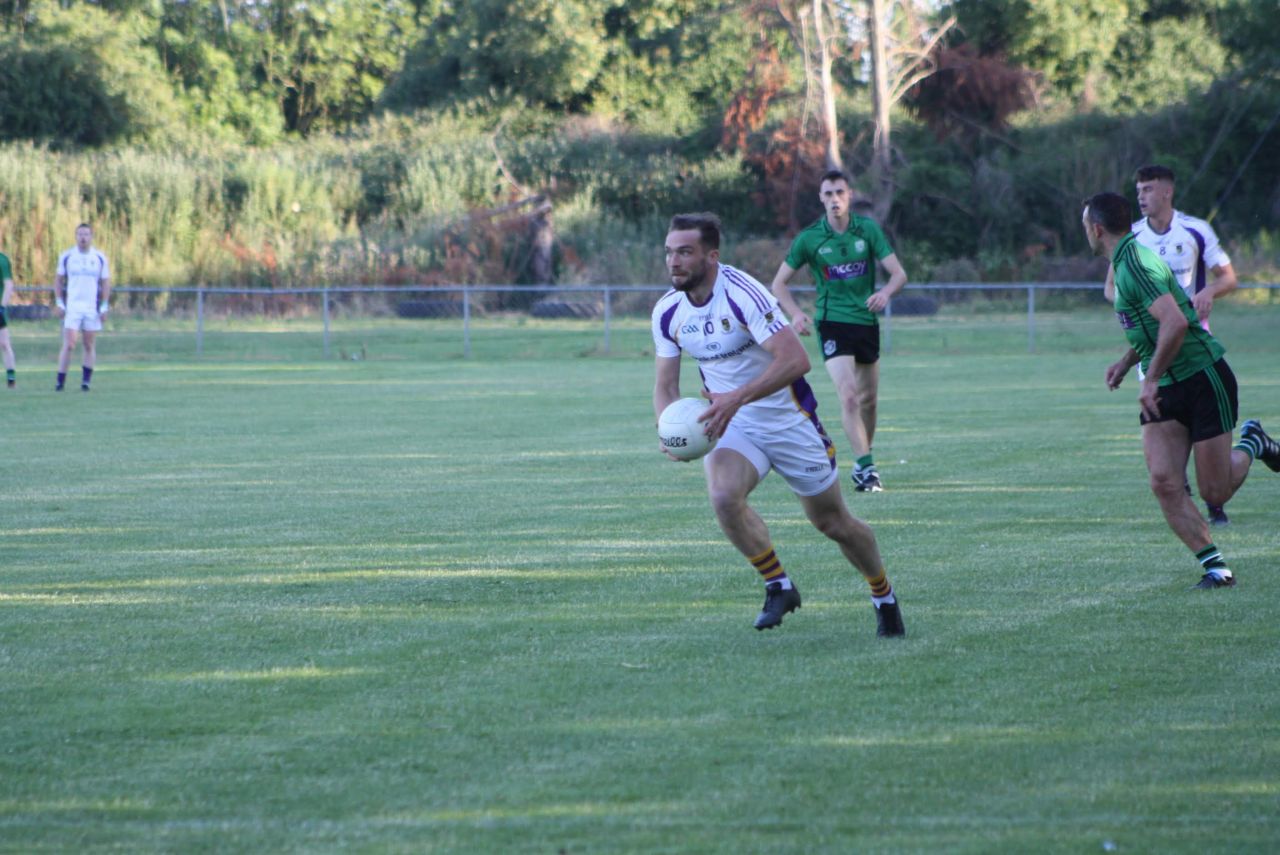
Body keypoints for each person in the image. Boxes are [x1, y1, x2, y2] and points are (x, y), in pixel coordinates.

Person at [652, 212, 905, 636]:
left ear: (711, 256)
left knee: (833, 523)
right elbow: (665, 385)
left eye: (684, 252)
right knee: (723, 497)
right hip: (732, 423)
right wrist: (670, 431)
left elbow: (796, 360)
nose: (673, 262)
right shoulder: (668, 311)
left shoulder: (743, 294)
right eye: (668, 252)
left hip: (789, 422)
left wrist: (737, 396)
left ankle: (883, 594)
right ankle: (778, 585)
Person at [1083, 191, 1279, 589]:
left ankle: (1254, 442)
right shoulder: (1124, 263)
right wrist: (1126, 362)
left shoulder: (1134, 263)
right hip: (1167, 384)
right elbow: (1154, 326)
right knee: (1164, 481)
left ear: (1097, 229)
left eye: (1085, 224)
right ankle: (1217, 569)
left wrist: (1149, 377)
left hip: (1203, 376)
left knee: (1215, 490)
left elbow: (1175, 324)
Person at [1105, 164, 1239, 525]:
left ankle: (1217, 494)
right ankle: (1206, 552)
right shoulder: (1130, 239)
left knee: (1213, 482)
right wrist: (1130, 359)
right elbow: (1113, 291)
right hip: (1155, 357)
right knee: (1165, 476)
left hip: (1196, 351)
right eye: (1138, 191)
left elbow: (1227, 278)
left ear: (1167, 192)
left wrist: (1209, 290)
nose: (1142, 197)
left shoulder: (1195, 230)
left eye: (1148, 189)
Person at [770, 169, 908, 492]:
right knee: (848, 397)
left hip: (865, 323)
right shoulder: (810, 239)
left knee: (868, 400)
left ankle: (864, 460)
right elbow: (778, 284)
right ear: (821, 198)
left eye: (840, 193)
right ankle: (867, 468)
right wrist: (796, 314)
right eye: (828, 194)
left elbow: (899, 274)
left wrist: (885, 294)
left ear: (850, 196)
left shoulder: (868, 231)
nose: (834, 199)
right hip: (832, 323)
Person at [54, 223, 111, 392]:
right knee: (69, 343)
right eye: (80, 234)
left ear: (91, 237)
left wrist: (104, 305)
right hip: (72, 308)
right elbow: (58, 280)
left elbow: (106, 282)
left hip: (91, 308)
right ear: (76, 236)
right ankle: (60, 382)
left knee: (88, 344)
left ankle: (86, 382)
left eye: (86, 234)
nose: (83, 237)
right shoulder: (67, 256)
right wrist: (59, 303)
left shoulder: (99, 258)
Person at [0, 248, 15, 388]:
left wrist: (2, 307)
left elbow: (8, 285)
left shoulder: (2, 260)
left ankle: (11, 379)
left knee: (4, 343)